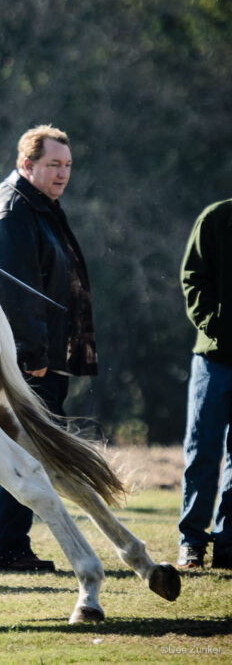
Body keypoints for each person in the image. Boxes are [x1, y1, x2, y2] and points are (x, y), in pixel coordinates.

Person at [0, 125, 97, 572]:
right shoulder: (12, 214)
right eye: (53, 164)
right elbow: (13, 292)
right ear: (26, 165)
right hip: (22, 358)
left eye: (67, 165)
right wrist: (32, 359)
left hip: (33, 353)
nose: (63, 173)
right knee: (31, 449)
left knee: (23, 445)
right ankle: (8, 547)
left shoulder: (37, 207)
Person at [176, 198, 232, 570]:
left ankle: (228, 544)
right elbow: (192, 280)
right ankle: (192, 541)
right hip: (214, 360)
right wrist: (219, 326)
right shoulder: (216, 219)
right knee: (202, 451)